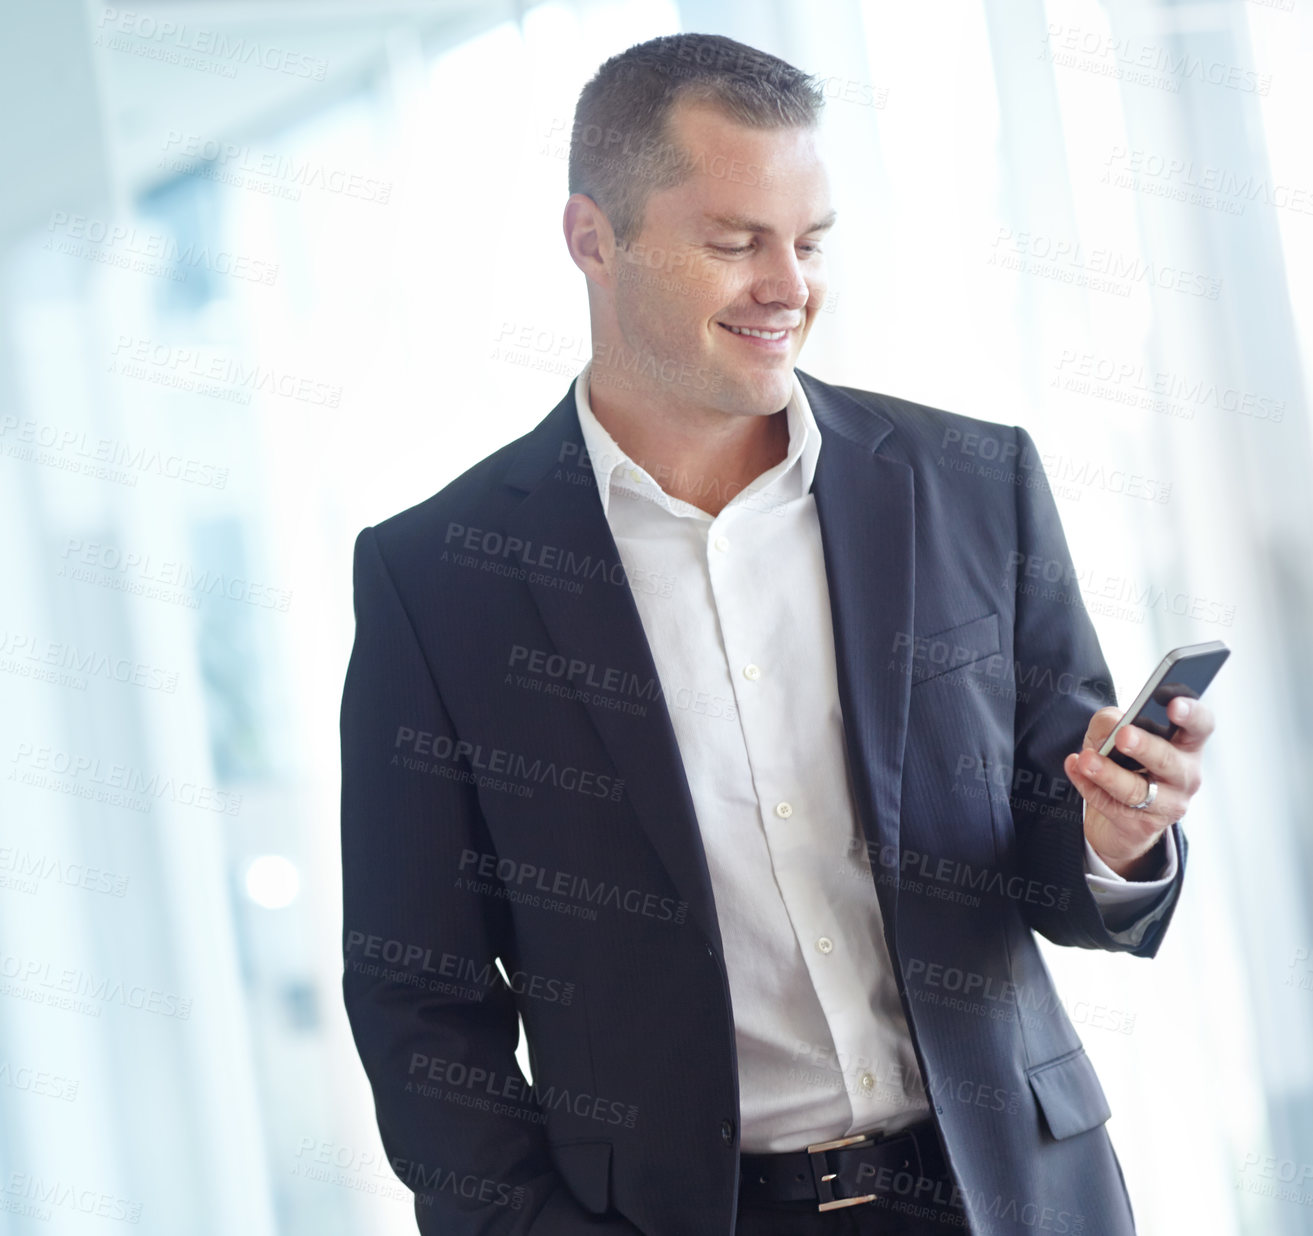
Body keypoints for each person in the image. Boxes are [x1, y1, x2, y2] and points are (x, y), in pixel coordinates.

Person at [339, 32, 1213, 1236]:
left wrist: (1116, 839)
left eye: (808, 243)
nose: (788, 286)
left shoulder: (972, 482)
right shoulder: (439, 578)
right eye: (733, 242)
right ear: (592, 239)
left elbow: (1051, 838)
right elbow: (417, 989)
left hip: (1010, 1194)